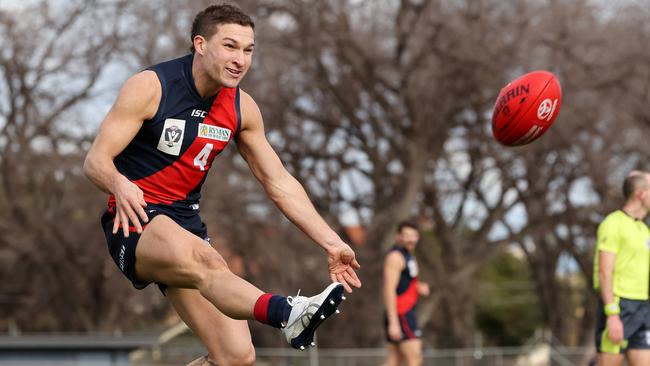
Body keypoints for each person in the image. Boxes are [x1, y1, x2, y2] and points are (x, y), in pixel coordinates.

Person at [83, 4, 361, 366]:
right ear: (200, 44)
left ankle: (285, 315)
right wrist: (118, 184)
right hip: (135, 219)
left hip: (186, 223)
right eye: (230, 46)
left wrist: (331, 241)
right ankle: (288, 312)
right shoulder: (151, 87)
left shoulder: (242, 108)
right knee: (206, 259)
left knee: (235, 356)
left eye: (248, 50)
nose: (240, 59)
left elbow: (278, 182)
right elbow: (95, 162)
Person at [593, 170, 650, 366]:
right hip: (619, 306)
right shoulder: (613, 224)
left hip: (641, 307)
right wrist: (613, 315)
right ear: (641, 194)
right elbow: (604, 272)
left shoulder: (644, 229)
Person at [382, 221, 430, 366]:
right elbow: (389, 289)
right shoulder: (395, 257)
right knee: (415, 358)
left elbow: (406, 283)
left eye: (414, 235)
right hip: (401, 314)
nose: (411, 239)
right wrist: (393, 322)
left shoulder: (409, 257)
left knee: (394, 361)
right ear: (398, 237)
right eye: (406, 235)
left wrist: (419, 287)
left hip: (407, 312)